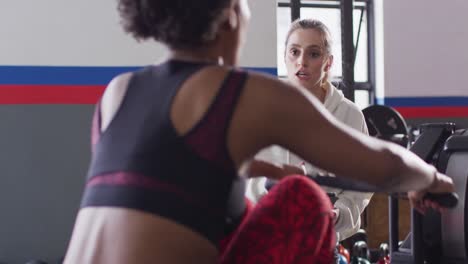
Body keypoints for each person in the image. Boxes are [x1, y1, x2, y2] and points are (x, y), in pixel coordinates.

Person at [63, 0, 454, 263]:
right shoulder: (242, 92)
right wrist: (430, 178)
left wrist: (263, 171)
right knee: (303, 197)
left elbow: (167, 180)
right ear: (232, 13)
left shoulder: (119, 91)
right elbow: (383, 166)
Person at [246, 18, 372, 242]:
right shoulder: (262, 110)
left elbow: (361, 186)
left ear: (328, 62)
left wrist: (340, 214)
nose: (301, 62)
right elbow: (249, 181)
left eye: (313, 54)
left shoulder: (349, 116)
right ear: (285, 55)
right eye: (294, 52)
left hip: (324, 239)